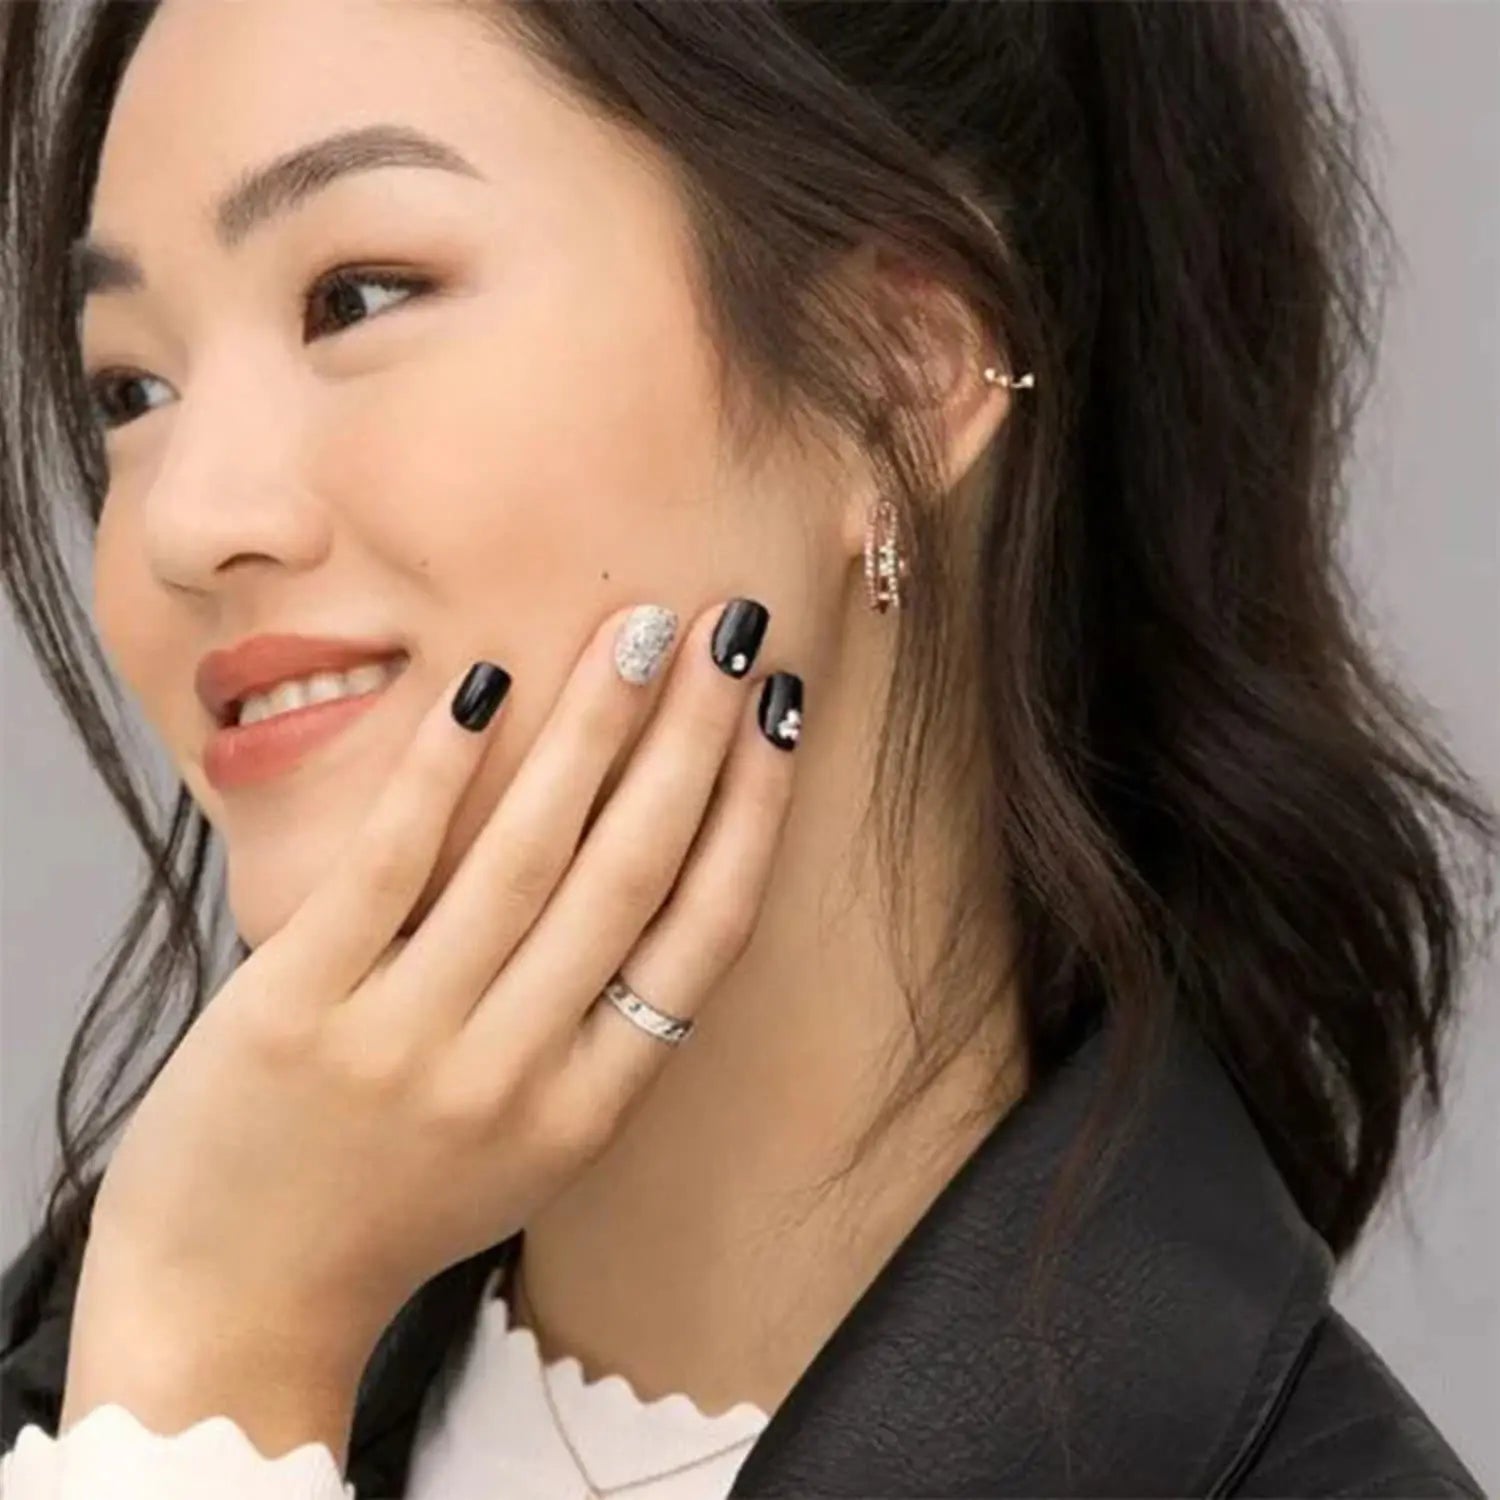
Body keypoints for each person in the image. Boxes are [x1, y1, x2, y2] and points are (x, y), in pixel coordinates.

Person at [0, 1, 1493, 1496]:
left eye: (358, 296)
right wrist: (198, 1361)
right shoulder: (103, 1366)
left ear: (893, 372)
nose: (185, 523)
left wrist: (204, 1399)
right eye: (131, 390)